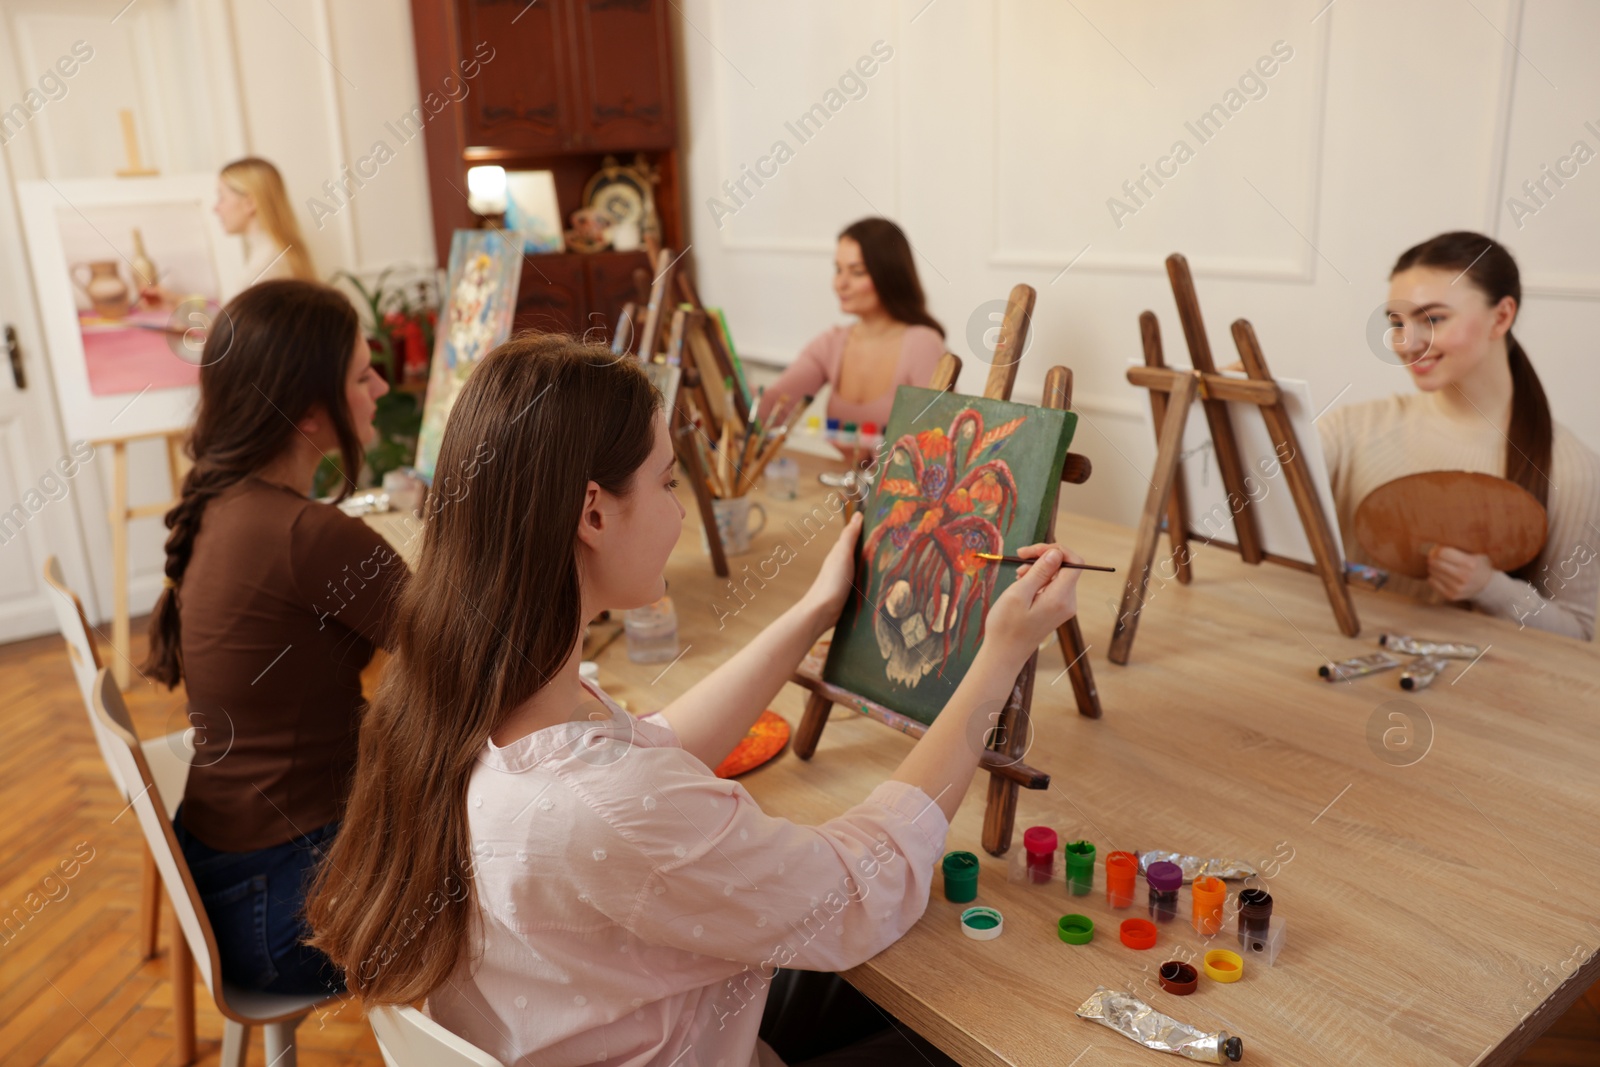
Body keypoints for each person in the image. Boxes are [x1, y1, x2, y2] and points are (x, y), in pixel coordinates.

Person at [306, 334, 1084, 1066]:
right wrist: (1000, 656)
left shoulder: (456, 700)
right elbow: (854, 889)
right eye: (668, 482)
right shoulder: (609, 804)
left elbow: (653, 744)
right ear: (593, 511)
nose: (680, 510)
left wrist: (814, 608)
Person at [143, 279, 408, 994]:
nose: (381, 386)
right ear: (310, 414)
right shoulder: (310, 535)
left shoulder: (223, 504)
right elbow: (469, 648)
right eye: (362, 374)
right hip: (284, 907)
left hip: (233, 881)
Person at [1320, 231, 1599, 639]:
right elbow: (1262, 483)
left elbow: (1581, 635)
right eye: (1397, 322)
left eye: (1433, 319)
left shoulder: (1572, 470)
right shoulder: (1351, 429)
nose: (1407, 342)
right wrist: (1236, 408)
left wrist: (1491, 589)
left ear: (1501, 317)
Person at [757, 218, 945, 441]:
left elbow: (935, 444)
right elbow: (772, 411)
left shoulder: (923, 345)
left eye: (857, 272)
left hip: (890, 478)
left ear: (889, 275)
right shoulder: (831, 343)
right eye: (838, 270)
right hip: (841, 475)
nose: (840, 283)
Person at [214, 156, 318, 283]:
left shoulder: (265, 268)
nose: (216, 208)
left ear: (249, 203)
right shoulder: (276, 254)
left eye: (222, 197)